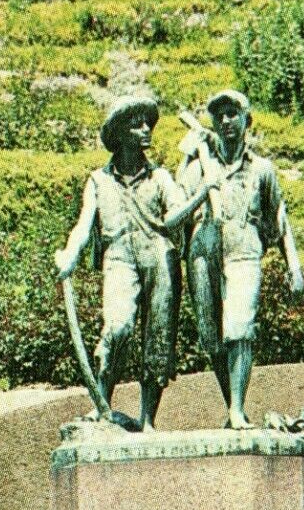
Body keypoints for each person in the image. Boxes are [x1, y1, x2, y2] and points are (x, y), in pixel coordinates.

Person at [56, 94, 207, 431]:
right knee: (117, 327)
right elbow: (84, 224)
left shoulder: (161, 178)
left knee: (158, 339)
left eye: (147, 123)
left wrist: (201, 193)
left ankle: (148, 420)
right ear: (119, 132)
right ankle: (102, 407)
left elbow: (175, 218)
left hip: (159, 257)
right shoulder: (99, 180)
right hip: (119, 256)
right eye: (136, 124)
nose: (145, 129)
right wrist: (71, 253)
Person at [178, 90, 304, 429]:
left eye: (233, 113)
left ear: (247, 120)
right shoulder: (202, 162)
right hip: (204, 248)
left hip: (245, 246)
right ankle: (233, 405)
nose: (226, 120)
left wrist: (293, 264)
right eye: (219, 115)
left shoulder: (262, 169)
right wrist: (188, 157)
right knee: (211, 336)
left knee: (239, 326)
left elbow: (279, 216)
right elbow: (177, 202)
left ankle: (236, 408)